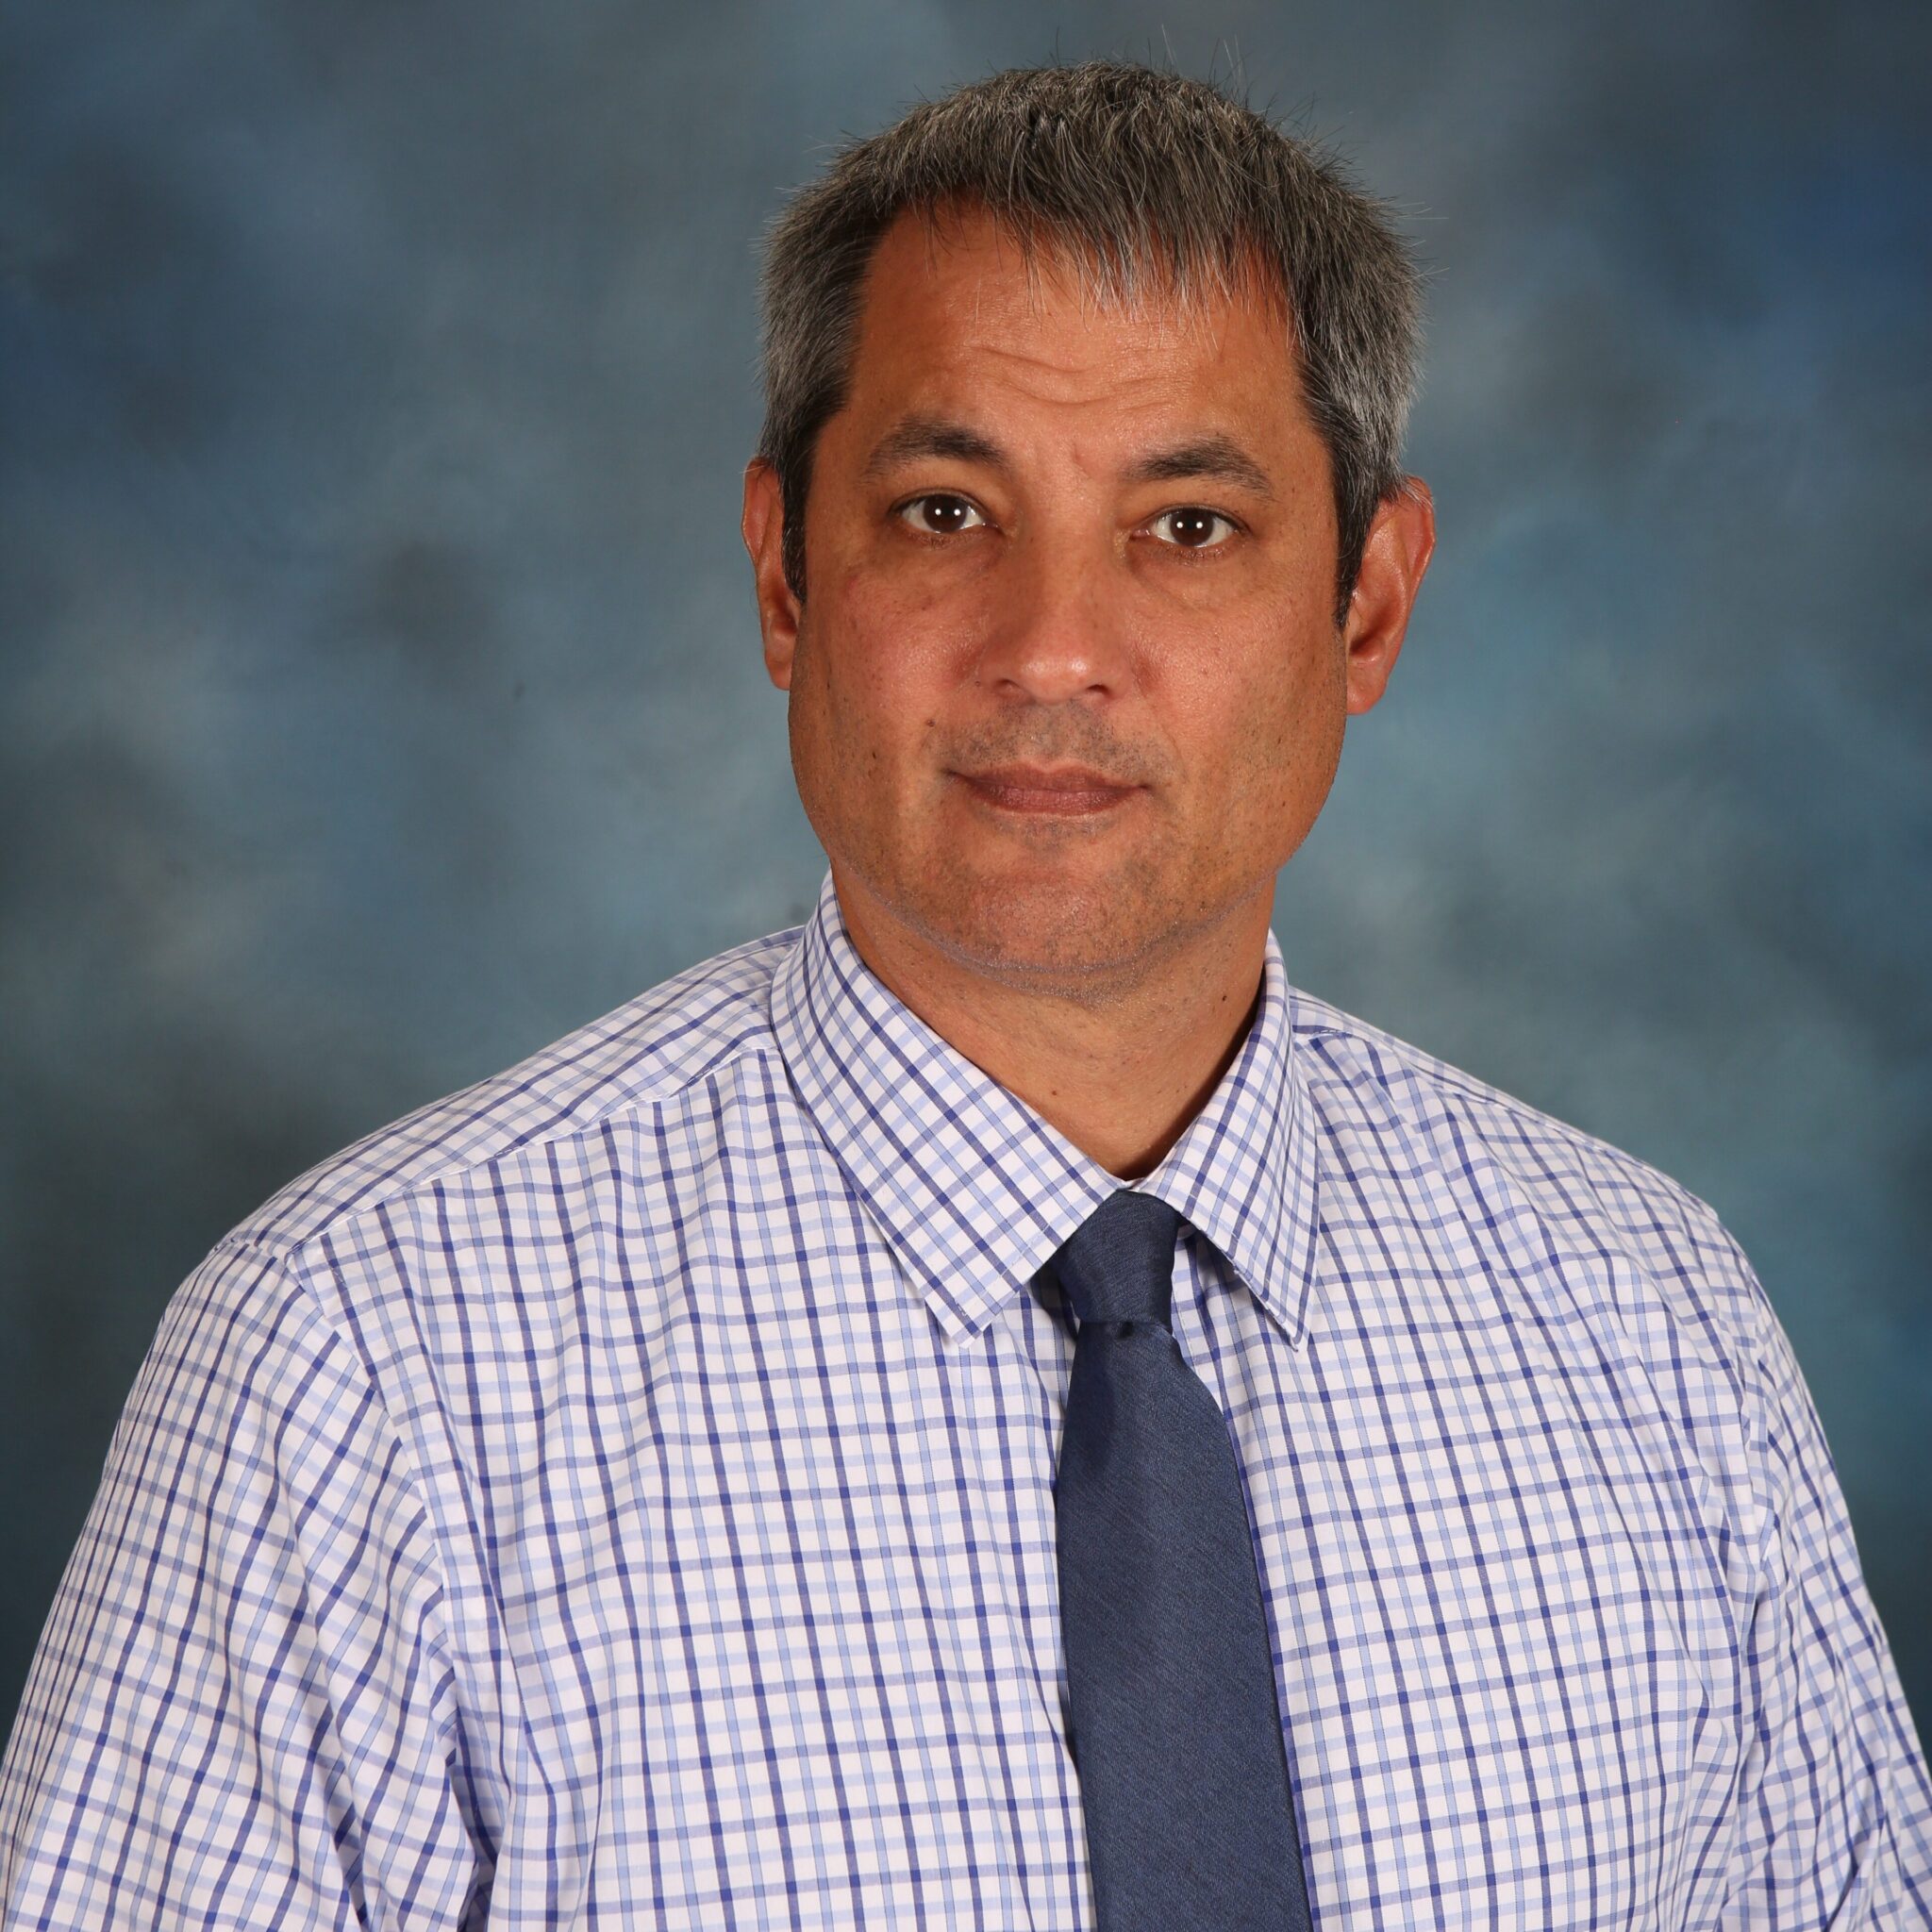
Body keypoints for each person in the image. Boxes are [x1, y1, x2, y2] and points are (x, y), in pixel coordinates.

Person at [2, 56, 1926, 1930]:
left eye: (1187, 527)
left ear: (1367, 603)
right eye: (945, 511)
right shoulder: (364, 1367)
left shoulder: (1653, 1322)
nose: (1053, 648)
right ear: (784, 575)